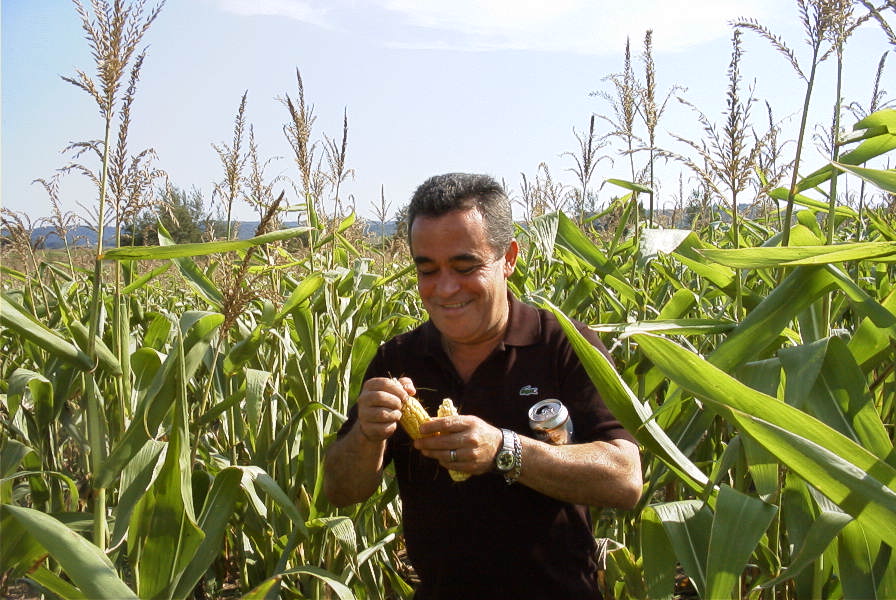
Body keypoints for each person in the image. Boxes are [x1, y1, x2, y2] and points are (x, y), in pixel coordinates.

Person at [323, 172, 642, 599]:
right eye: (427, 270)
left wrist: (504, 451)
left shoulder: (564, 345)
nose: (445, 288)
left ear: (508, 257)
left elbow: (625, 478)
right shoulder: (399, 360)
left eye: (464, 265)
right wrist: (366, 434)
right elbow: (341, 491)